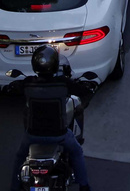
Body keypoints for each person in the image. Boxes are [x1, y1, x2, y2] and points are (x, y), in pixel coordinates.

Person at [11, 46, 90, 191]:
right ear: (54, 65)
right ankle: (84, 186)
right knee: (77, 152)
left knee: (19, 156)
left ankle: (14, 188)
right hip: (59, 135)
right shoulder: (63, 84)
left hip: (33, 135)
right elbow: (83, 92)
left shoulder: (28, 84)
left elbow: (15, 88)